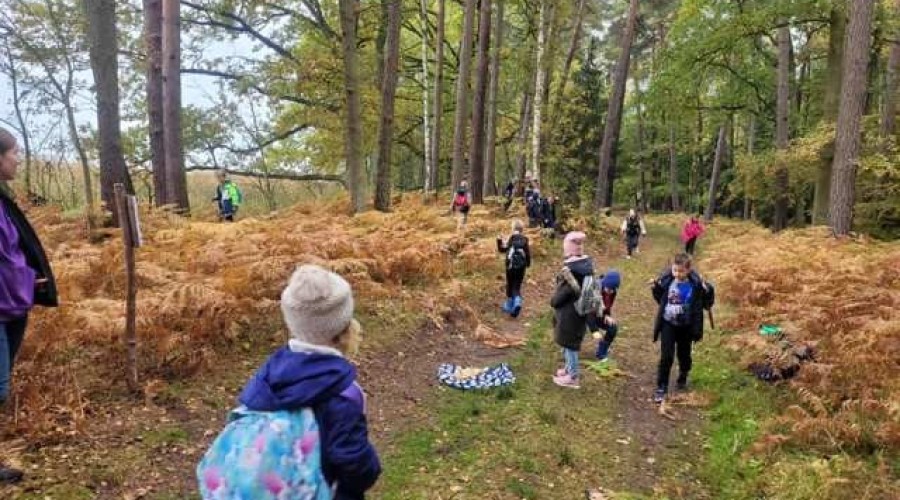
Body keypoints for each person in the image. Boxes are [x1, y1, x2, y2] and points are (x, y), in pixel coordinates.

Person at [197, 265, 381, 499]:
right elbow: (356, 465)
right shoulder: (343, 393)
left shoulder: (268, 375)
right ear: (345, 326)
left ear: (292, 322)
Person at [0, 127, 58, 484]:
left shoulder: (3, 201)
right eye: (14, 153)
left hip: (12, 306)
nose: (18, 159)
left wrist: (29, 280)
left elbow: (11, 254)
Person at [650, 253, 710, 404]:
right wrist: (655, 287)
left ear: (688, 270)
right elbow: (660, 298)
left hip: (686, 326)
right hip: (668, 323)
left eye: (681, 271)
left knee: (684, 355)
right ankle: (661, 386)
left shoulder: (695, 284)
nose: (677, 274)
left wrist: (707, 289)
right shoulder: (668, 280)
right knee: (666, 356)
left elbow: (707, 303)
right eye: (675, 270)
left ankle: (683, 373)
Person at [550, 231, 601, 389]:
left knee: (570, 346)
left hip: (569, 315)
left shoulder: (572, 271)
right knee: (567, 344)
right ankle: (567, 369)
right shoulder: (584, 266)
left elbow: (562, 295)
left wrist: (553, 301)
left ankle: (572, 377)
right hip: (578, 314)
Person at [496, 220, 531, 318]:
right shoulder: (525, 239)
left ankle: (510, 305)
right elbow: (528, 254)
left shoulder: (511, 239)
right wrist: (527, 264)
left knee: (510, 284)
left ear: (513, 228)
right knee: (517, 285)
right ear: (522, 229)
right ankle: (517, 302)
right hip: (521, 267)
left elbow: (502, 249)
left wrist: (498, 240)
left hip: (510, 266)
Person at [593, 271, 621, 362]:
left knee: (613, 328)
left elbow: (608, 306)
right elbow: (588, 310)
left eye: (612, 289)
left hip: (600, 314)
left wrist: (607, 315)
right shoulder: (595, 288)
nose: (610, 292)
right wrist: (594, 330)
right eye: (608, 289)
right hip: (587, 314)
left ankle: (601, 352)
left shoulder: (613, 292)